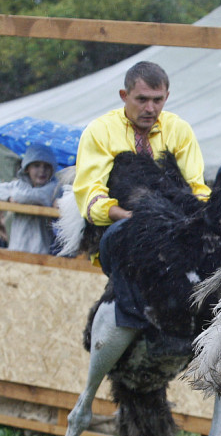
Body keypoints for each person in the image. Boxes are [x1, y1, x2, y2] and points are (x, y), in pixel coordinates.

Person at [73, 60, 210, 327]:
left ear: (167, 97)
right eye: (142, 99)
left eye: (157, 100)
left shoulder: (179, 130)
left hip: (174, 225)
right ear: (124, 96)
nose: (150, 108)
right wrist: (129, 216)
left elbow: (197, 188)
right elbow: (90, 192)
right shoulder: (100, 131)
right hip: (122, 223)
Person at [0, 144, 60, 254]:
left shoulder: (54, 188)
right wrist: (8, 197)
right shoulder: (19, 185)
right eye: (36, 165)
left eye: (46, 166)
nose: (42, 171)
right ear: (27, 168)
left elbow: (37, 197)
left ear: (52, 169)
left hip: (42, 251)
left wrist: (15, 196)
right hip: (16, 247)